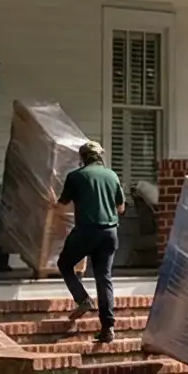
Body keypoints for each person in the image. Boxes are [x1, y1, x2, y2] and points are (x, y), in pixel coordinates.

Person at [56, 142, 123, 346]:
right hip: (110, 232)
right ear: (100, 156)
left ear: (82, 157)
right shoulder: (112, 175)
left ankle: (82, 299)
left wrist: (50, 202)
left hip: (86, 231)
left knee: (65, 264)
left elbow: (61, 207)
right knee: (104, 278)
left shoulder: (76, 176)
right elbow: (120, 208)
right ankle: (108, 328)